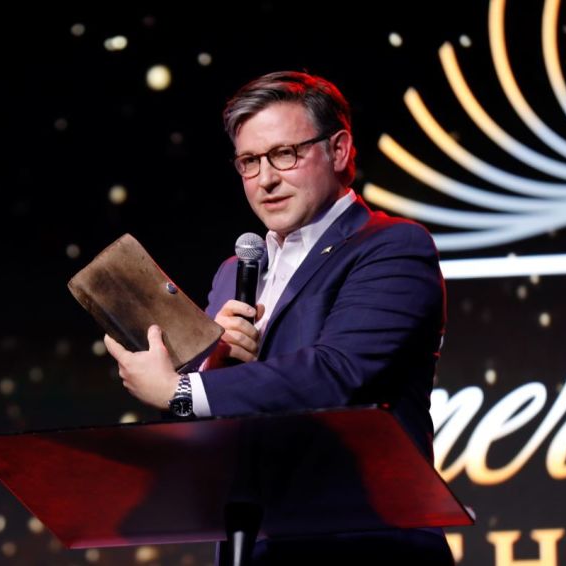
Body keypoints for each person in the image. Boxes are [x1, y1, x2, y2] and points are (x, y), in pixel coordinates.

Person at [104, 71, 453, 565]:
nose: (266, 179)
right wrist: (211, 367)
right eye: (250, 162)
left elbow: (339, 373)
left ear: (338, 150)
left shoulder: (390, 246)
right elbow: (205, 430)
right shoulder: (234, 273)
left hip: (363, 546)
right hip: (254, 546)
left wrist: (182, 392)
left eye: (285, 155)